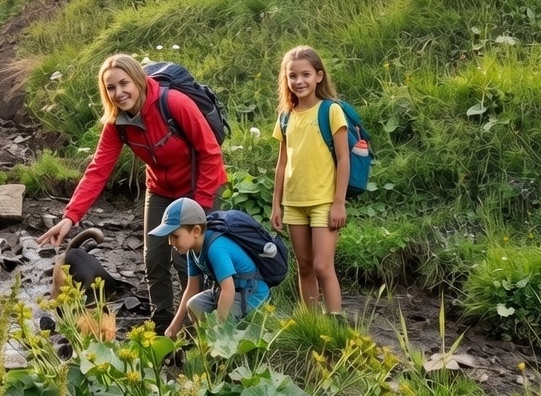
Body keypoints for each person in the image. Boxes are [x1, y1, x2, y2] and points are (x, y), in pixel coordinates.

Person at [37, 54, 227, 332]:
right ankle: (162, 323)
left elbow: (211, 154)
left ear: (138, 79)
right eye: (110, 88)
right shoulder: (117, 123)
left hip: (199, 186)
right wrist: (70, 217)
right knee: (154, 258)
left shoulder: (174, 103)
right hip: (161, 188)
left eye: (124, 83)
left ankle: (197, 324)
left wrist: (196, 208)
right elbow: (98, 169)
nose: (118, 93)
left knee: (185, 259)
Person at [269, 45, 348, 313]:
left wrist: (339, 202)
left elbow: (344, 159)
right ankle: (313, 325)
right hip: (294, 203)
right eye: (292, 76)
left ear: (318, 76)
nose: (299, 81)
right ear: (286, 79)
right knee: (303, 267)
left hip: (324, 202)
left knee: (322, 266)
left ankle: (336, 324)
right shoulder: (285, 117)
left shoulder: (331, 110)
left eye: (305, 74)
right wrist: (276, 204)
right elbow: (282, 163)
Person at [150, 198, 270, 339]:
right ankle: (205, 342)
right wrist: (175, 324)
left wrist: (219, 329)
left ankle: (223, 346)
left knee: (226, 325)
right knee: (194, 305)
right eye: (169, 237)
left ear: (196, 230)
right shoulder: (192, 252)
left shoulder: (216, 249)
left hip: (251, 292)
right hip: (227, 291)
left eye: (175, 236)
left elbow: (228, 290)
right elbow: (192, 289)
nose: (171, 242)